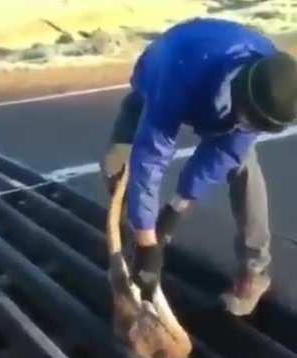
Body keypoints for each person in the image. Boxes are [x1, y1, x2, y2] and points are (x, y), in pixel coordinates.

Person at [100, 18, 297, 316]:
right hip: (168, 74)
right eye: (248, 119)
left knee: (244, 169)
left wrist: (175, 210)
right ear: (240, 90)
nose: (247, 127)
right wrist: (147, 239)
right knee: (118, 164)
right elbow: (152, 157)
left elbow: (220, 156)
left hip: (221, 85)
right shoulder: (177, 74)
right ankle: (138, 247)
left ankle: (254, 271)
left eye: (257, 125)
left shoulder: (270, 91)